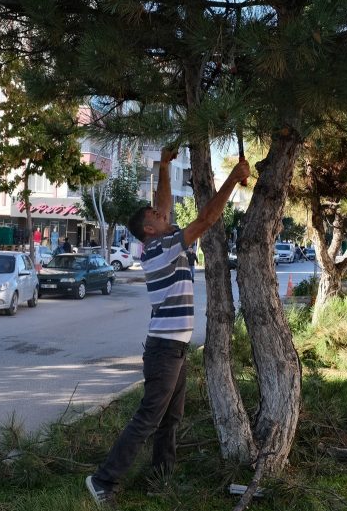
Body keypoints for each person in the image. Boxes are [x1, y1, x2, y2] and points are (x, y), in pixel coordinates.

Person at [85, 147, 249, 505]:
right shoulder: (164, 248)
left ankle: (161, 477)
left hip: (173, 349)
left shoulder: (162, 241)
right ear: (149, 228)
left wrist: (164, 164)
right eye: (158, 215)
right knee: (148, 418)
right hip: (163, 351)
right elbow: (206, 218)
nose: (165, 214)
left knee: (170, 418)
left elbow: (163, 203)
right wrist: (233, 181)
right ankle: (102, 481)